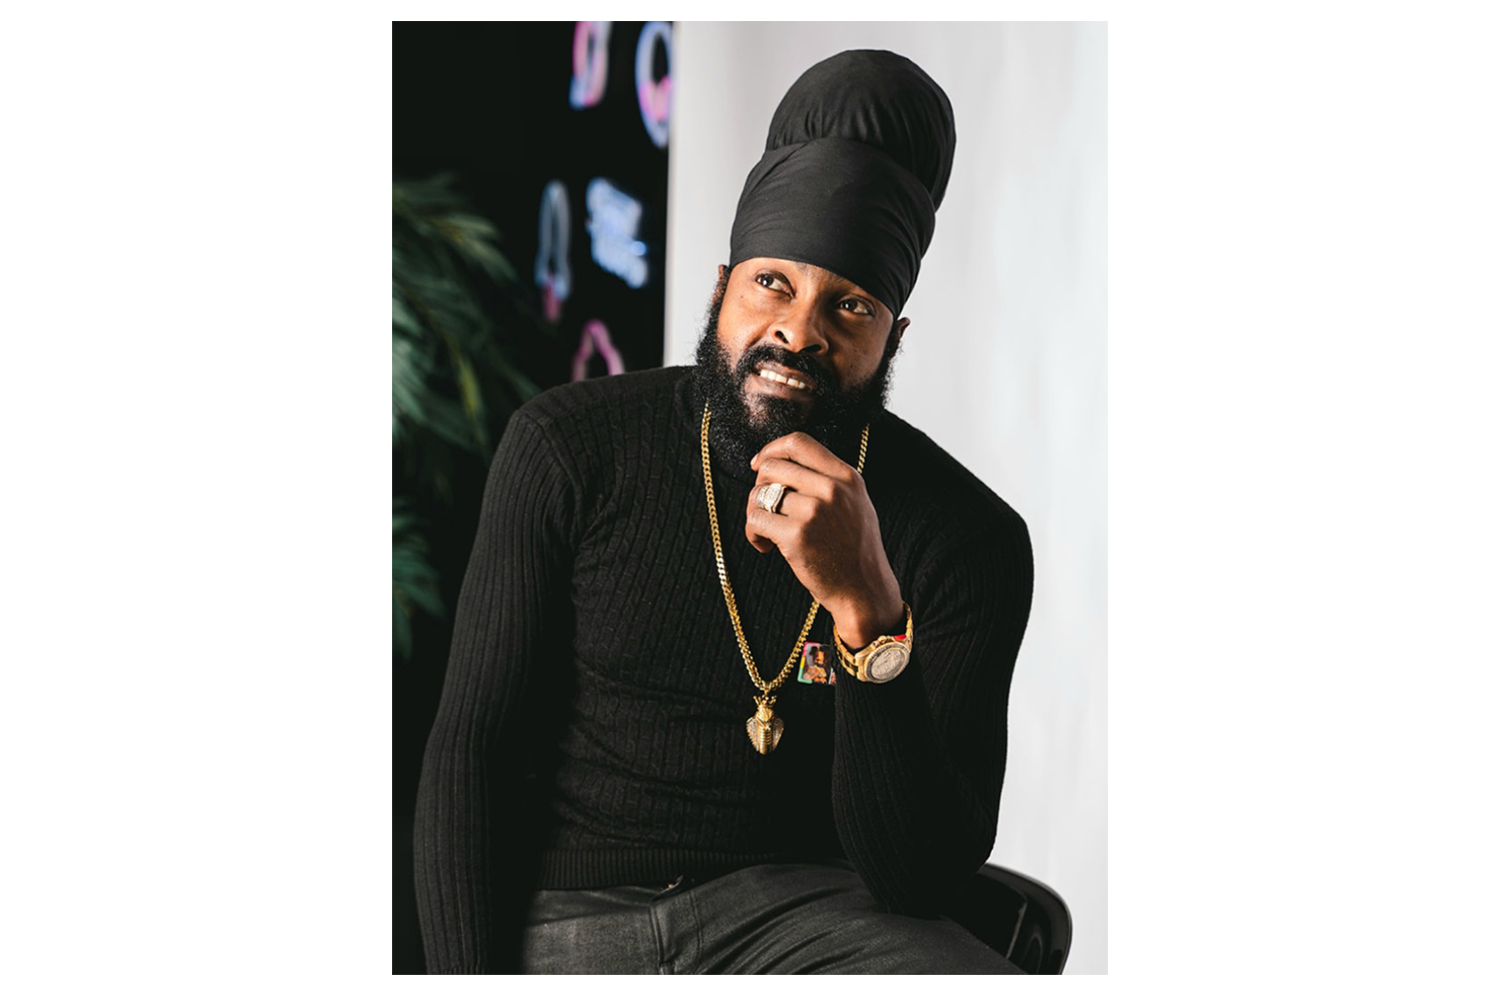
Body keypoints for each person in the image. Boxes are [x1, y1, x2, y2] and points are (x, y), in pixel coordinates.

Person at [413, 49, 1034, 974]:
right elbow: (475, 756)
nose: (799, 331)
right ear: (720, 288)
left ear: (893, 337)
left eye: (851, 306)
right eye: (772, 283)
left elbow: (919, 880)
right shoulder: (570, 446)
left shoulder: (968, 538)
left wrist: (867, 609)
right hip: (573, 918)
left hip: (807, 925)